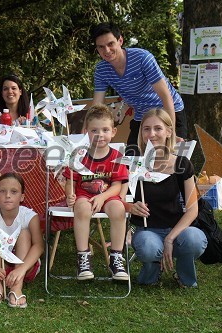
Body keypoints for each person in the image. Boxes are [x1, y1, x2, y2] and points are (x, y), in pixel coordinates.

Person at [129, 108, 207, 288]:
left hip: (178, 229)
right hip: (147, 231)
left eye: (158, 128)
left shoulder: (181, 164)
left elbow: (193, 208)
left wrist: (170, 239)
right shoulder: (133, 163)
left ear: (169, 132)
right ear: (141, 132)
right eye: (146, 129)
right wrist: (130, 206)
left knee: (195, 239)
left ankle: (185, 276)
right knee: (148, 247)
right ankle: (152, 272)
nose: (152, 134)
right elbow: (119, 198)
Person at [90, 22, 187, 152]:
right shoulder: (101, 70)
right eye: (101, 47)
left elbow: (166, 96)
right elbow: (97, 107)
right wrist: (90, 132)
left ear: (120, 41)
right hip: (142, 115)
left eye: (110, 44)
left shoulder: (142, 58)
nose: (106, 50)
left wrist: (172, 132)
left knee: (170, 160)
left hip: (168, 111)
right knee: (132, 159)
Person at [63, 104, 129, 281]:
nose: (100, 135)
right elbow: (70, 180)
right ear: (86, 131)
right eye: (94, 130)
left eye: (105, 129)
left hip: (107, 196)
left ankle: (116, 257)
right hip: (84, 195)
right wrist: (69, 195)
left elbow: (117, 185)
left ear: (113, 131)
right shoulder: (78, 155)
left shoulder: (116, 156)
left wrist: (102, 197)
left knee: (118, 209)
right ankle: (83, 256)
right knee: (82, 209)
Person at [0, 173, 43, 308]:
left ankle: (17, 287)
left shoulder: (29, 216)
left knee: (24, 232)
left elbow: (39, 246)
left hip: (25, 268)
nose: (8, 195)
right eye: (3, 191)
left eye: (14, 192)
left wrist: (21, 269)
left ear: (22, 197)